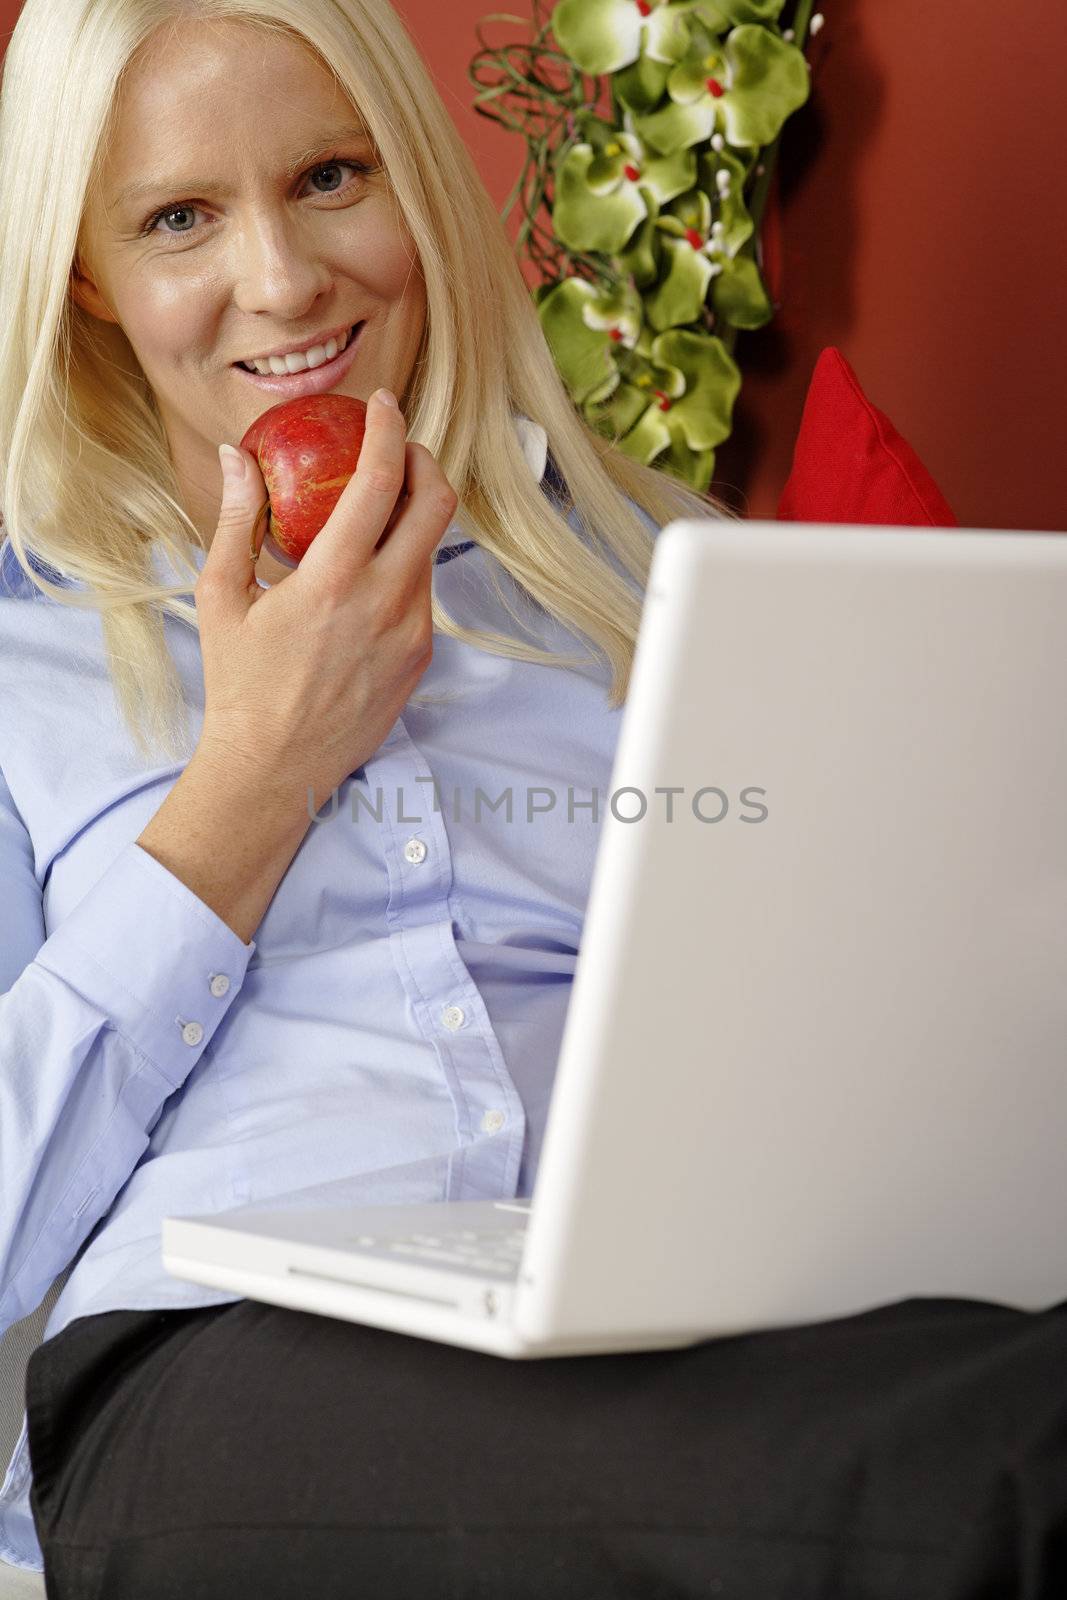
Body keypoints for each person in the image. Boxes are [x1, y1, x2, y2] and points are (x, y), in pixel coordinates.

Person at [0, 2, 1065, 1596]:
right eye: (178, 219)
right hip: (219, 1361)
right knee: (989, 1464)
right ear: (87, 275)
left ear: (417, 183)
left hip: (658, 1310)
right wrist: (252, 782)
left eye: (331, 178)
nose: (285, 281)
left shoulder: (652, 576)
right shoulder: (26, 656)